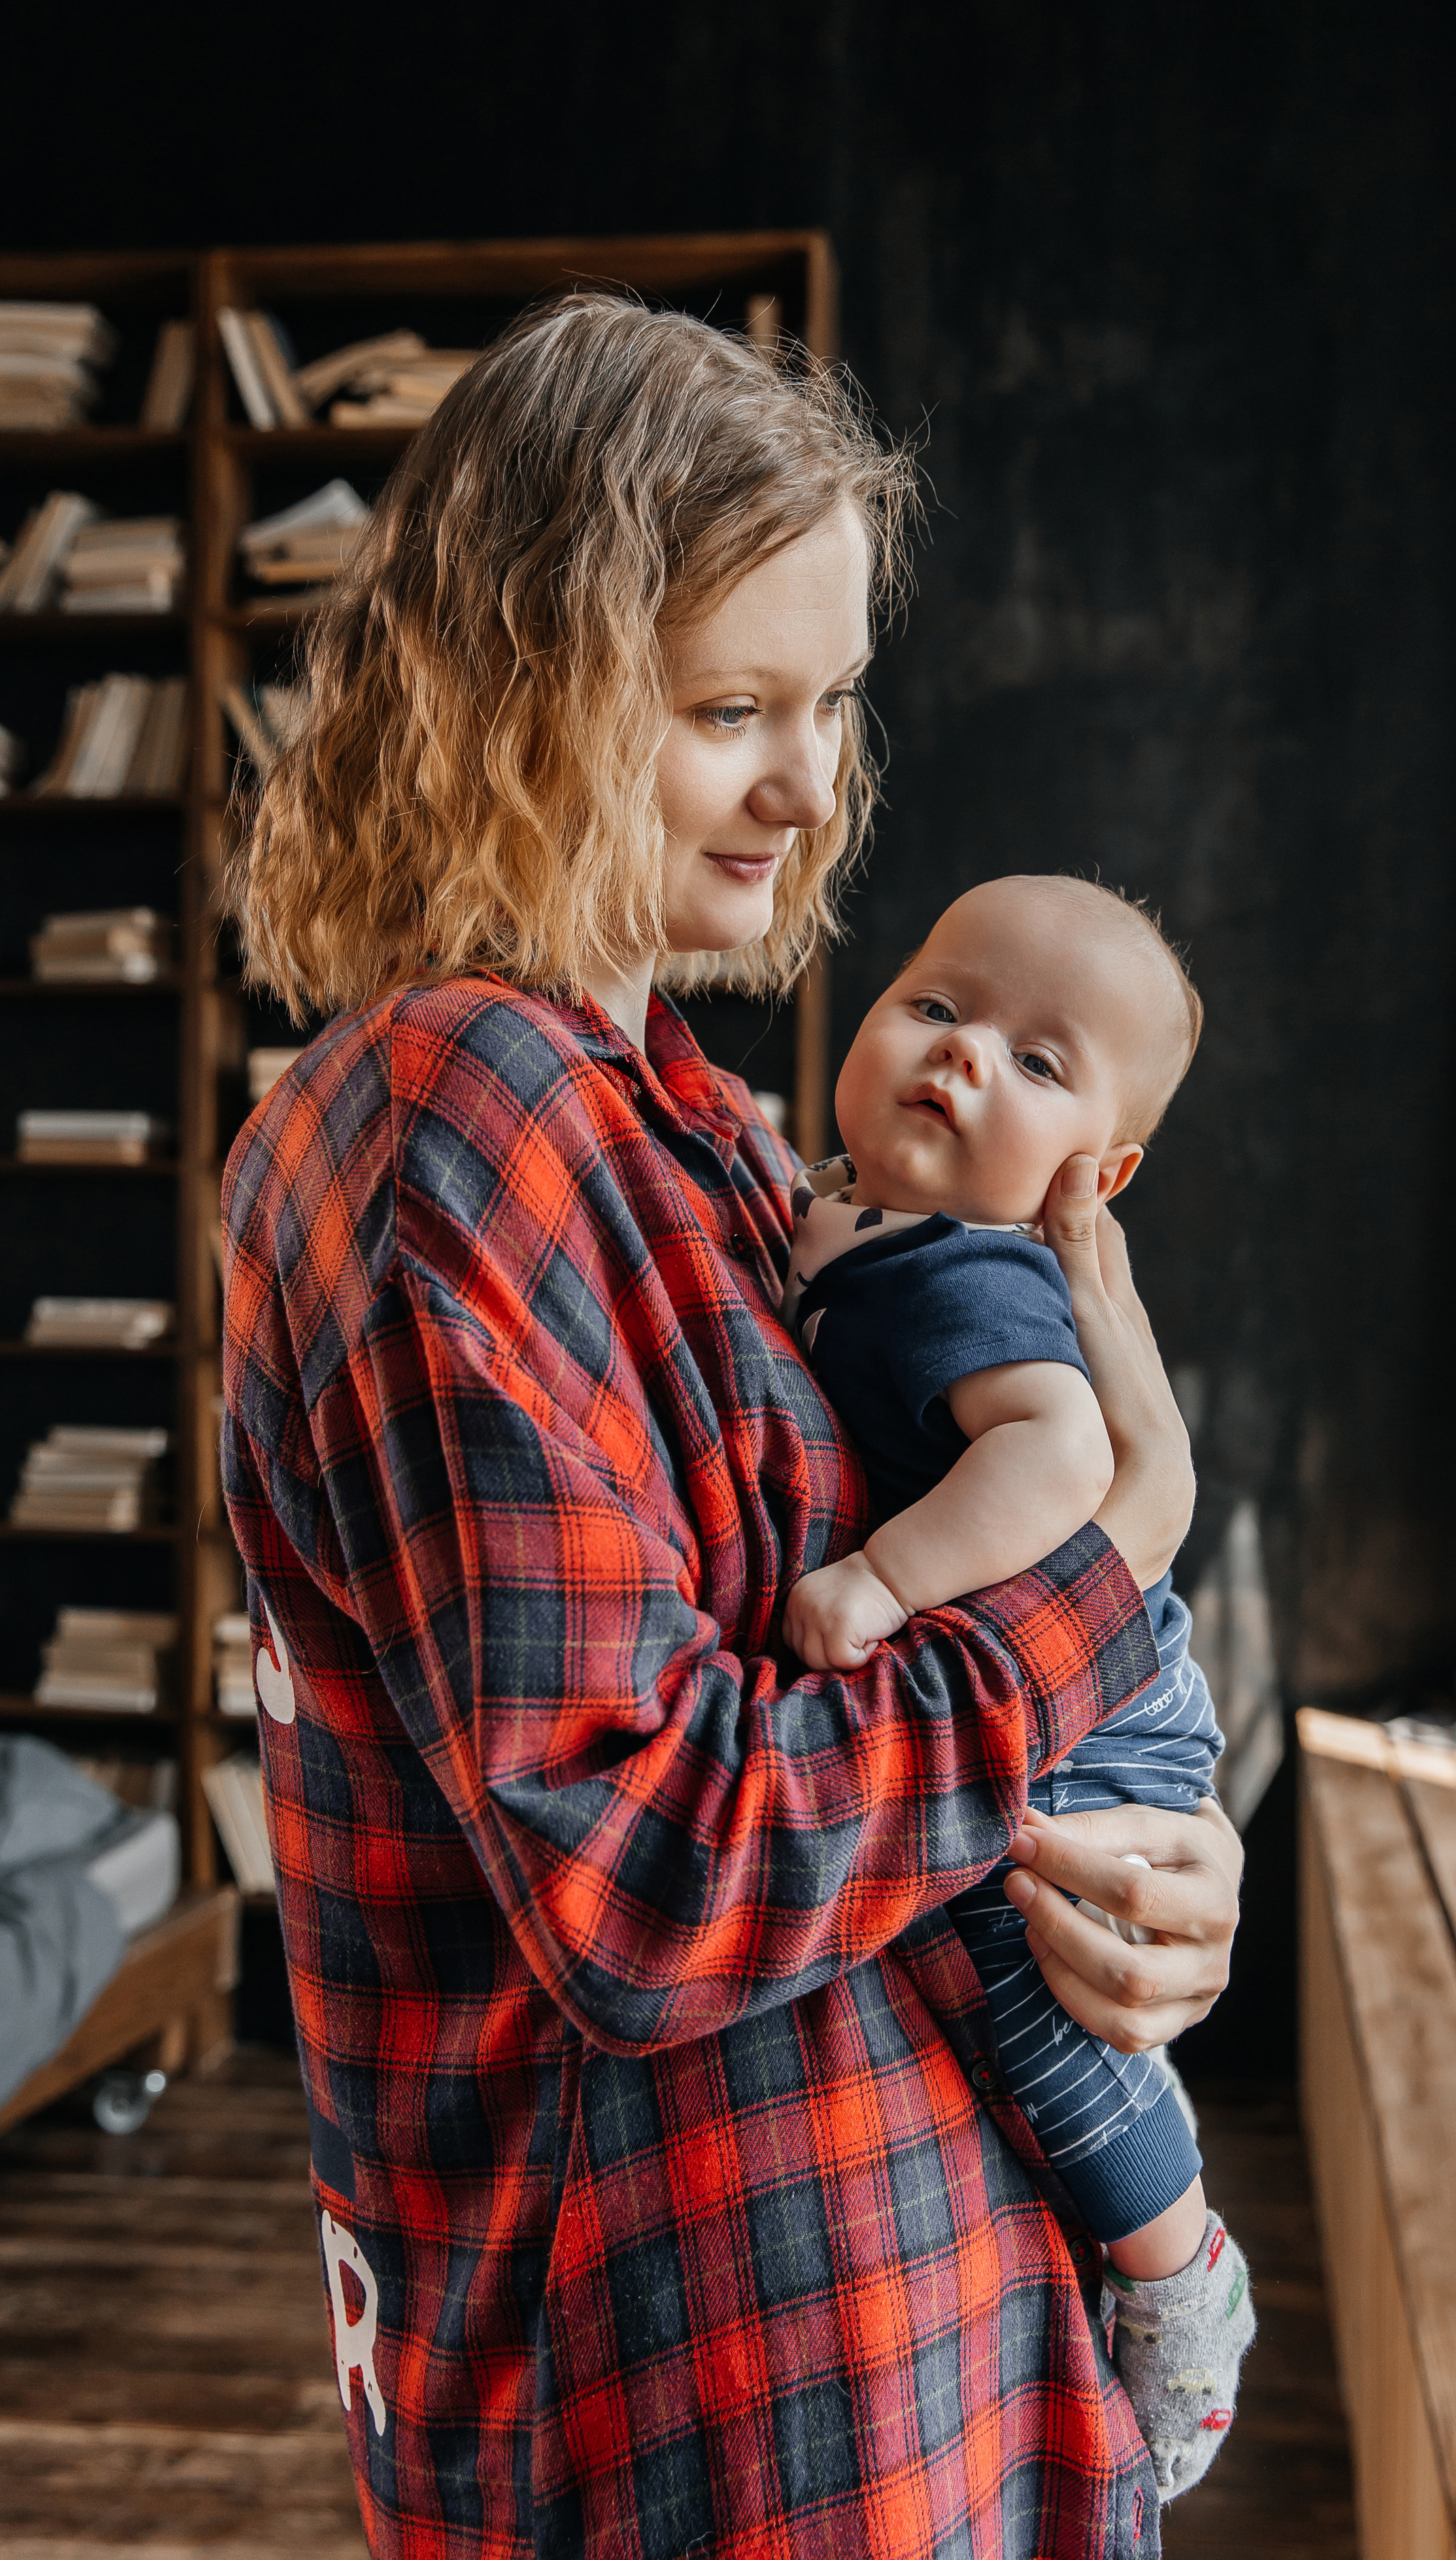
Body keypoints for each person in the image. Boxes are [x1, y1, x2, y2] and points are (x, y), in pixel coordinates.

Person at [221, 292, 1243, 2560]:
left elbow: (896, 1713)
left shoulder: (693, 1124)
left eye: (833, 704)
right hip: (721, 2435)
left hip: (920, 2348)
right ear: (528, 694)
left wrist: (1148, 1873)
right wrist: (1082, 1617)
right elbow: (644, 1876)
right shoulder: (444, 1128)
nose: (809, 786)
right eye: (728, 712)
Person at [780, 873, 1255, 2492]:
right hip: (1061, 1673)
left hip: (1101, 1710)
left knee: (1031, 1992)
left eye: (1038, 1062)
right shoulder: (839, 1208)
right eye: (934, 1003)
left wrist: (880, 1581)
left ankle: (1177, 2274)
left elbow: (1064, 1462)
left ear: (1097, 1178)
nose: (964, 1056)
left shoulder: (965, 1270)